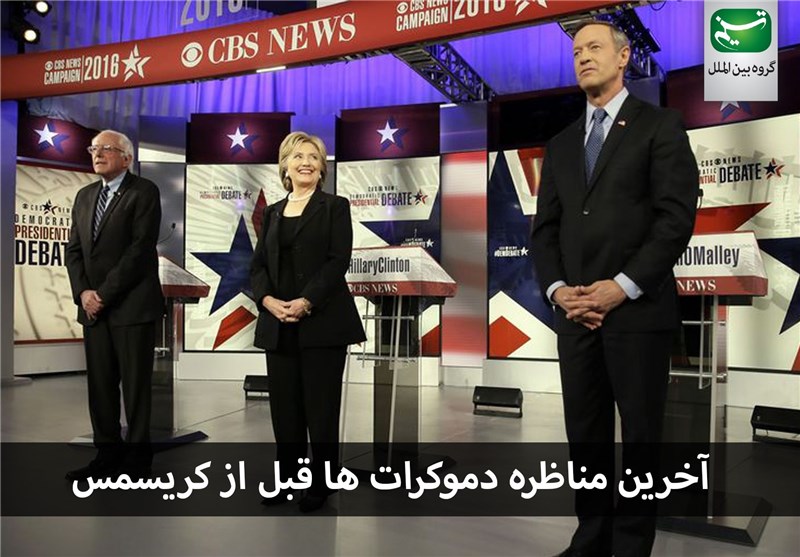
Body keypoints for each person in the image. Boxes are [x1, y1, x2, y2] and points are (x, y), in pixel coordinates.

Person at [530, 21, 699, 557]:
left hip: (637, 313)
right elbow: (544, 232)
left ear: (624, 57)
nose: (583, 57)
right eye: (576, 51)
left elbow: (675, 219)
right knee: (586, 435)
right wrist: (559, 290)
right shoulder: (560, 145)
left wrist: (621, 287)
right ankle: (591, 538)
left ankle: (630, 545)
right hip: (575, 317)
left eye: (594, 47)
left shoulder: (660, 126)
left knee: (641, 437)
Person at [250, 131, 366, 512]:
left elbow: (337, 260)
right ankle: (288, 480)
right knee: (285, 411)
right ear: (285, 165)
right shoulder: (271, 213)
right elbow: (258, 266)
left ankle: (322, 482)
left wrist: (306, 301)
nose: (306, 163)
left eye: (314, 157)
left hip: (323, 323)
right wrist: (268, 301)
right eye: (298, 156)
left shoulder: (335, 207)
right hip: (278, 323)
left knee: (321, 408)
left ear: (322, 168)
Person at [65, 129, 164, 481]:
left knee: (135, 389)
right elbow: (74, 250)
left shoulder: (144, 191)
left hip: (131, 308)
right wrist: (83, 294)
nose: (98, 154)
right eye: (94, 148)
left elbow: (139, 250)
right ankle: (106, 456)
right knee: (100, 388)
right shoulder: (84, 196)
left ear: (126, 157)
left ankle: (137, 461)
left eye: (106, 148)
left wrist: (103, 294)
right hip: (93, 311)